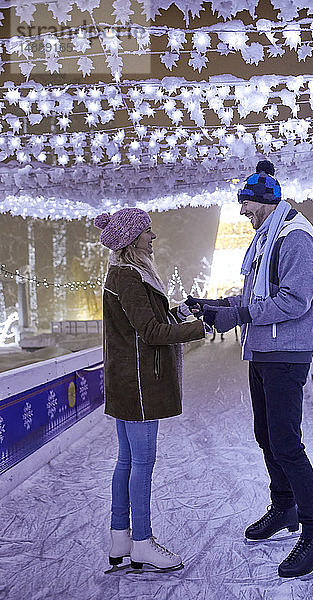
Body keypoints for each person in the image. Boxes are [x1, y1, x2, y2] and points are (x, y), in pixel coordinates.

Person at [186, 162, 313, 578]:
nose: (243, 213)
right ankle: (284, 505)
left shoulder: (296, 237)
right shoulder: (266, 239)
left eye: (246, 205)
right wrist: (220, 306)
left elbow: (295, 301)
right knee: (266, 436)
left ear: (265, 201)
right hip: (263, 352)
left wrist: (242, 314)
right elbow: (255, 295)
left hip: (286, 354)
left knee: (287, 442)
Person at [94, 208, 206, 573]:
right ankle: (142, 541)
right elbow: (152, 334)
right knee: (141, 463)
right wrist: (199, 329)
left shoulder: (125, 274)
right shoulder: (129, 276)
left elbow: (148, 322)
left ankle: (120, 537)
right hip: (139, 383)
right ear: (131, 239)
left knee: (126, 460)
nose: (152, 238)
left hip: (127, 380)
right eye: (147, 232)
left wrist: (180, 312)